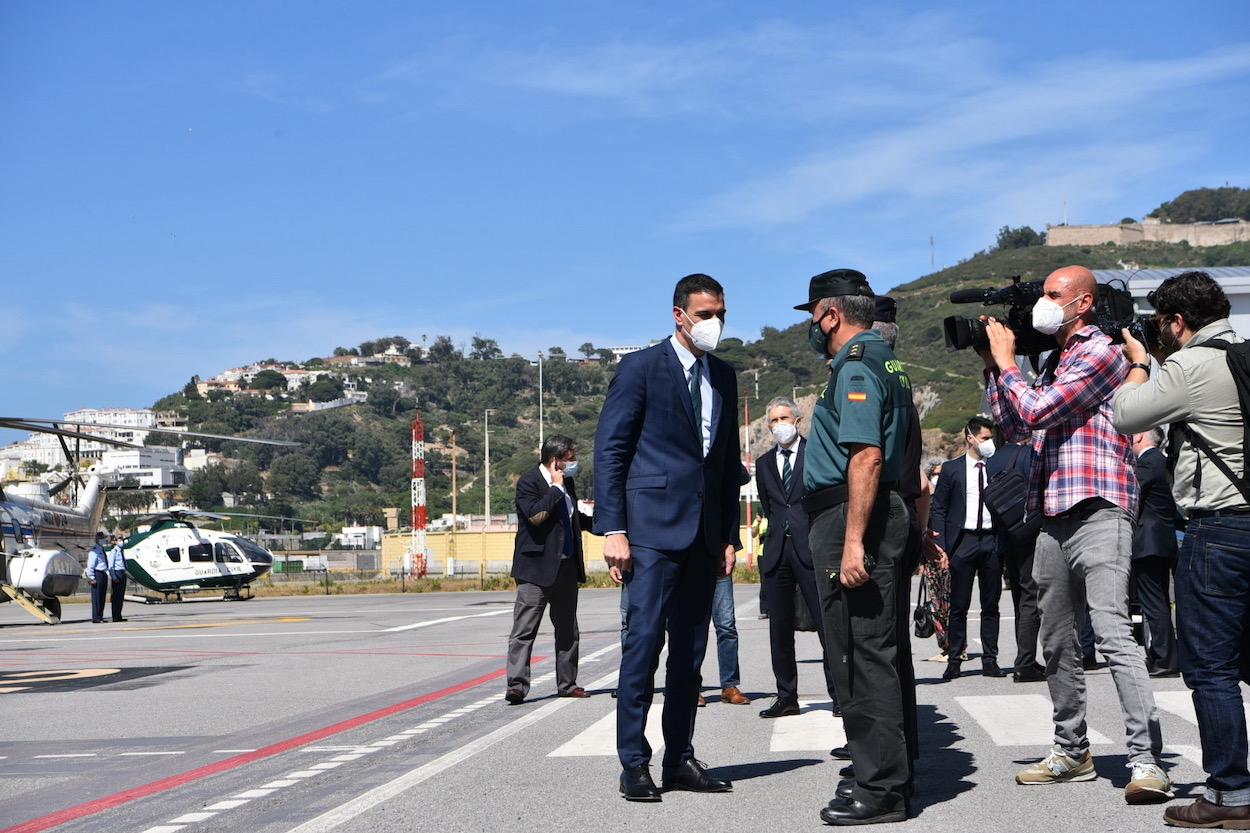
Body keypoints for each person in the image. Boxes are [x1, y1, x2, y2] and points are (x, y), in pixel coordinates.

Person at [981, 264, 1170, 804]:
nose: (1043, 302)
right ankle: (1072, 750)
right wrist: (998, 370)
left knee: (1112, 631)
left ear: (1083, 302)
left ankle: (1145, 759)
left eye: (1052, 294)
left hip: (1099, 508)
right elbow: (1015, 424)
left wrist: (1005, 362)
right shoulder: (1053, 361)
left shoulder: (1100, 352)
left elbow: (1039, 411)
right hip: (1052, 513)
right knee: (1057, 639)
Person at [595, 273, 741, 802]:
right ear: (679, 315)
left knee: (691, 653)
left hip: (704, 535)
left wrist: (729, 535)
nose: (714, 323)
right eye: (705, 314)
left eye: (721, 313)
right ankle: (634, 762)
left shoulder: (725, 375)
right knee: (643, 646)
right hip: (651, 531)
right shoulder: (640, 368)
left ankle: (679, 756)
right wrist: (613, 528)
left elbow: (724, 465)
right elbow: (610, 450)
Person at [1111, 270, 1249, 828]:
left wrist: (1141, 362)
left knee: (1211, 667)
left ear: (1176, 321)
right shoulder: (1244, 352)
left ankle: (1231, 794)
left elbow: (1126, 415)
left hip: (1218, 529)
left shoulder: (1191, 364)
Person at [797, 268, 913, 825]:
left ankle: (881, 789)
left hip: (851, 514)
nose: (812, 327)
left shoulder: (858, 365)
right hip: (861, 512)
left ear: (831, 314)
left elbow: (865, 456)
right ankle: (876, 773)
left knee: (861, 655)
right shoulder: (882, 361)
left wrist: (851, 544)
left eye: (813, 316)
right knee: (866, 652)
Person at [754, 396, 839, 719]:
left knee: (825, 624)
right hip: (777, 552)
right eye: (773, 421)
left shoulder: (815, 453)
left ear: (798, 420)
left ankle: (839, 696)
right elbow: (771, 505)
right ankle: (786, 696)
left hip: (812, 547)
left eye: (784, 418)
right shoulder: (763, 464)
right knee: (780, 628)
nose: (779, 426)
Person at [505, 435, 594, 704]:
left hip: (566, 567)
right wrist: (555, 489)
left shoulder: (569, 483)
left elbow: (574, 518)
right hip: (535, 569)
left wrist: (607, 524)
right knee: (524, 630)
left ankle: (567, 683)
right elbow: (535, 517)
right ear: (556, 461)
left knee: (568, 630)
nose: (574, 463)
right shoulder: (529, 482)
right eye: (570, 458)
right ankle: (517, 685)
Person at [927, 416, 1006, 681]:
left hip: (992, 540)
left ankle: (990, 659)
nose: (989, 443)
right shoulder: (951, 469)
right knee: (958, 606)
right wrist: (942, 547)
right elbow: (939, 507)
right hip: (963, 542)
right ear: (970, 438)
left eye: (991, 438)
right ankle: (954, 659)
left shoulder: (996, 467)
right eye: (985, 438)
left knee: (991, 604)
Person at [692, 464, 751, 707]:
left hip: (717, 552)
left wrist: (730, 544)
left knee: (726, 625)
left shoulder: (719, 462)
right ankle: (691, 685)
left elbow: (741, 476)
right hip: (690, 554)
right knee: (693, 627)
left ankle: (729, 685)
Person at [987, 438, 1045, 683]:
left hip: (1006, 536)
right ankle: (1025, 663)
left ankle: (1026, 657)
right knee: (1031, 597)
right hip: (1029, 534)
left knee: (1019, 597)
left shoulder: (994, 459)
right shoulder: (1029, 454)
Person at [1129, 428, 1180, 678]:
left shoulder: (1149, 462)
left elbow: (1130, 489)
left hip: (1149, 543)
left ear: (1140, 437)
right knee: (1158, 600)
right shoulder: (1160, 461)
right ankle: (1165, 656)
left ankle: (1165, 659)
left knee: (1154, 602)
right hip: (1159, 540)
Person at [86, 532, 109, 623]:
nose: (104, 540)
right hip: (97, 574)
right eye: (102, 538)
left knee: (102, 597)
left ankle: (100, 616)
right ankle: (96, 617)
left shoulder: (101, 549)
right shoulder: (94, 551)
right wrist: (92, 577)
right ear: (98, 539)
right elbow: (90, 565)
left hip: (103, 573)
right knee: (97, 597)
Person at [107, 535, 128, 623]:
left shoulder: (121, 551)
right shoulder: (114, 551)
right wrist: (114, 577)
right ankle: (115, 616)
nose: (121, 541)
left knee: (120, 597)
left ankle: (119, 615)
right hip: (117, 573)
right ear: (115, 541)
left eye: (122, 539)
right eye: (119, 539)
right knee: (116, 597)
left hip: (122, 573)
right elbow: (110, 566)